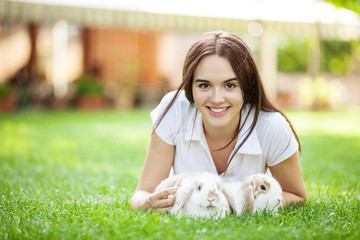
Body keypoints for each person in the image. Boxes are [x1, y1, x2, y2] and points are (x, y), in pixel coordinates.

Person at [130, 30, 307, 213]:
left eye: (230, 85)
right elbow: (143, 193)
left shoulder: (272, 127)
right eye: (204, 85)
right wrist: (146, 203)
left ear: (247, 87)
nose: (217, 98)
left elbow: (296, 194)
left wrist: (238, 206)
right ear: (191, 87)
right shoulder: (174, 109)